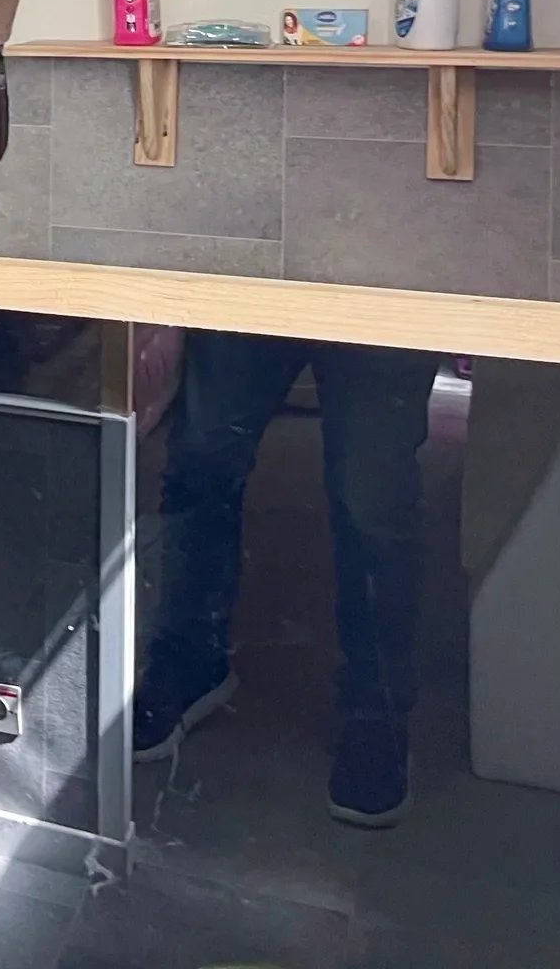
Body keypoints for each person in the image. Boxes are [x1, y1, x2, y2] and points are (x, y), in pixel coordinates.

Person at [132, 331, 437, 828]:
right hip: (251, 292)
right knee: (201, 462)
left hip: (388, 299)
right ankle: (190, 663)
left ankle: (376, 709)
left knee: (373, 497)